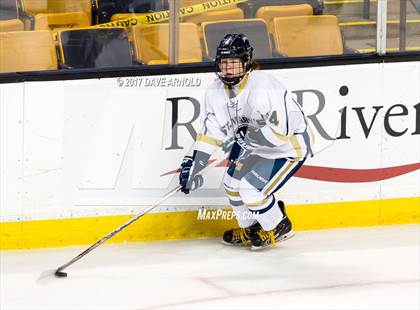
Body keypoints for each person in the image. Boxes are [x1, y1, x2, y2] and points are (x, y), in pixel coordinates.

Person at [179, 34, 313, 250]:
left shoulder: (264, 87)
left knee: (250, 190)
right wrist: (194, 162)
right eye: (224, 63)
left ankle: (280, 226)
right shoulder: (215, 92)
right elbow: (211, 131)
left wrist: (252, 136)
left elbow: (282, 132)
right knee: (231, 185)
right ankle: (251, 228)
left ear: (246, 62)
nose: (228, 69)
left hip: (288, 148)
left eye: (233, 63)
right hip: (255, 148)